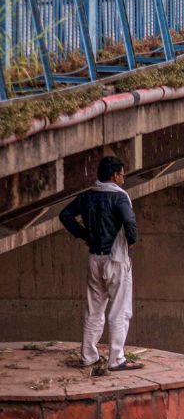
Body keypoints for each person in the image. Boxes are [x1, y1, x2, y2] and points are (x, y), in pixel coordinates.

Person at [58, 156, 143, 371]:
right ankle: (116, 359)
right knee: (120, 311)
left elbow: (65, 215)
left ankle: (88, 356)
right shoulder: (119, 197)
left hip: (94, 258)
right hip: (116, 260)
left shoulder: (87, 196)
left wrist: (83, 234)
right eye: (122, 174)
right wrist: (131, 242)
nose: (123, 178)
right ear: (114, 175)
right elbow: (130, 223)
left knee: (94, 310)